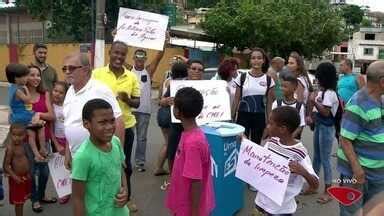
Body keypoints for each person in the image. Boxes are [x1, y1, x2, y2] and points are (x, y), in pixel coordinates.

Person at [62, 52, 126, 209]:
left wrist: (117, 154)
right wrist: (68, 151)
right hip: (80, 157)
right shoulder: (70, 91)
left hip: (100, 158)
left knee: (105, 197)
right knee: (83, 198)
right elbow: (69, 122)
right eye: (65, 68)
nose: (67, 72)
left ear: (86, 70)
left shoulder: (100, 89)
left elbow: (118, 121)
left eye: (71, 68)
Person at [92, 41, 140, 212]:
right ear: (110, 52)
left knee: (124, 164)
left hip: (126, 127)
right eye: (116, 53)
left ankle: (126, 197)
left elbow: (137, 102)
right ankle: (104, 196)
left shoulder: (132, 76)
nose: (119, 57)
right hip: (101, 128)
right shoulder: (96, 74)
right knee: (101, 164)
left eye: (122, 54)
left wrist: (127, 100)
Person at [337, 60, 384, 216]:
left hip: (378, 174)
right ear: (382, 82)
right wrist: (357, 170)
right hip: (357, 174)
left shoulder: (381, 100)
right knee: (351, 212)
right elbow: (345, 140)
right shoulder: (358, 103)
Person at [255, 106, 319, 215]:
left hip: (281, 210)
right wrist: (244, 142)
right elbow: (257, 158)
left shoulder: (299, 153)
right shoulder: (271, 143)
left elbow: (315, 185)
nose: (267, 126)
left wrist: (303, 171)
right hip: (260, 202)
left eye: (270, 124)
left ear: (282, 129)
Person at [72, 99, 129, 216]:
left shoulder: (116, 142)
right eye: (102, 122)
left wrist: (125, 190)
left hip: (120, 212)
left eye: (112, 121)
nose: (109, 127)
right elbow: (77, 198)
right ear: (86, 124)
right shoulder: (82, 157)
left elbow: (120, 168)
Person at [165, 87, 215, 216]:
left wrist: (194, 213)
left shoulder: (192, 143)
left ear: (177, 111)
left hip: (188, 208)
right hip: (182, 201)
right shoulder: (190, 134)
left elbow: (196, 182)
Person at [126, 48, 165, 172]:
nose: (140, 60)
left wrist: (164, 42)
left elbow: (159, 57)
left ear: (145, 59)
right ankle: (125, 161)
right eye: (137, 57)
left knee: (141, 138)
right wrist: (116, 37)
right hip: (129, 109)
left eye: (142, 58)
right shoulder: (128, 69)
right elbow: (117, 57)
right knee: (127, 137)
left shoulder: (148, 70)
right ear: (134, 58)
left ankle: (140, 162)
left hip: (144, 110)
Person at [27, 65, 57, 212]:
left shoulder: (45, 94)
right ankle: (35, 199)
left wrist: (38, 115)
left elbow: (52, 116)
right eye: (32, 75)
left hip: (43, 138)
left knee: (44, 172)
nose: (36, 78)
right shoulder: (21, 94)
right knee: (31, 172)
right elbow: (14, 116)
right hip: (27, 140)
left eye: (38, 75)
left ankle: (41, 194)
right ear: (26, 77)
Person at [308, 62, 339, 204]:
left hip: (327, 128)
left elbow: (326, 112)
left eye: (319, 76)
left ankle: (328, 190)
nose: (317, 79)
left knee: (325, 159)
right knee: (317, 157)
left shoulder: (330, 93)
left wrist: (314, 102)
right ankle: (313, 185)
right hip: (320, 126)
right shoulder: (323, 92)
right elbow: (317, 111)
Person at [232, 48, 275, 144]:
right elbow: (236, 99)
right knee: (241, 144)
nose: (256, 60)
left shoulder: (269, 80)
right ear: (250, 61)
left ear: (263, 61)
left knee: (256, 145)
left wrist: (269, 123)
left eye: (259, 58)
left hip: (259, 117)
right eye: (253, 58)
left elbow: (269, 104)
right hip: (243, 115)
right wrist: (232, 117)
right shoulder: (242, 77)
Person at [6, 64, 46, 162]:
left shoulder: (12, 87)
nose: (26, 78)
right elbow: (28, 100)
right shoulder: (19, 90)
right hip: (23, 115)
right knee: (41, 126)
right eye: (24, 76)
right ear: (16, 78)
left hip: (17, 115)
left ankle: (37, 154)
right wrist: (26, 89)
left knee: (31, 133)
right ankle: (42, 148)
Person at [155, 62, 188, 176]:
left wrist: (163, 101)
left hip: (162, 114)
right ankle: (162, 168)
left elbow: (160, 97)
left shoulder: (167, 81)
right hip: (170, 115)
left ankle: (160, 167)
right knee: (170, 144)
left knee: (168, 143)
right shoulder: (182, 84)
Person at [3, 124, 32, 216]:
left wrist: (28, 172)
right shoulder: (11, 149)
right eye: (14, 135)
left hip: (24, 177)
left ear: (25, 135)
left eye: (20, 135)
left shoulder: (23, 146)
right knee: (18, 202)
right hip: (16, 179)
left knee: (22, 200)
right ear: (10, 134)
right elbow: (6, 166)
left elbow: (26, 159)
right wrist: (14, 176)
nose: (16, 138)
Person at [50, 81, 70, 204]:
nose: (57, 94)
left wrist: (67, 145)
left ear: (65, 94)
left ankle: (74, 187)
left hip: (68, 140)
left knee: (70, 165)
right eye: (55, 91)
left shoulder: (67, 107)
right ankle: (65, 191)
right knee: (60, 167)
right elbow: (50, 128)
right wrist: (56, 143)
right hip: (56, 140)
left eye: (61, 92)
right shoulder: (51, 107)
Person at [271, 75, 305, 139]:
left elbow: (301, 126)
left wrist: (290, 138)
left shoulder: (299, 106)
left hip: (292, 140)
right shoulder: (277, 103)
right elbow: (272, 122)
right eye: (281, 86)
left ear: (294, 88)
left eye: (285, 87)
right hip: (277, 139)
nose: (282, 89)